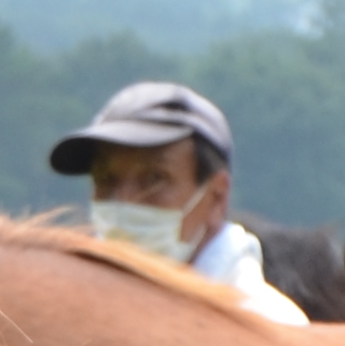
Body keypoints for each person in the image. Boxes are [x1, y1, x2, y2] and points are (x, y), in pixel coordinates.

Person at [45, 81, 308, 323]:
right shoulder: (68, 318)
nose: (125, 200)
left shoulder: (269, 325)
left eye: (154, 179)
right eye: (106, 179)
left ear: (216, 197)